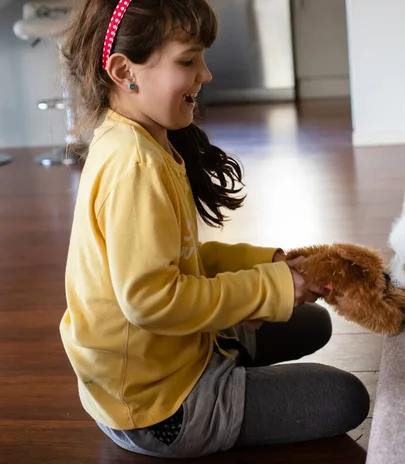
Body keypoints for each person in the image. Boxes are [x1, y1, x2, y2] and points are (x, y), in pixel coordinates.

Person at [58, 0, 370, 458]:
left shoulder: (138, 136)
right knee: (346, 398)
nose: (205, 74)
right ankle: (211, 386)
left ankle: (220, 358)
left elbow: (184, 259)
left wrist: (271, 265)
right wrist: (270, 288)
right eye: (188, 60)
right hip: (156, 406)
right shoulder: (136, 166)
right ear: (125, 70)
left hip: (164, 360)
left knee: (312, 322)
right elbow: (152, 299)